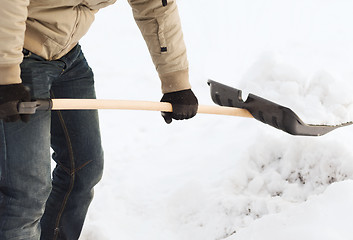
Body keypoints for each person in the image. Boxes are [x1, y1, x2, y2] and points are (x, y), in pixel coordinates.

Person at [0, 0, 198, 239]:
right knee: (26, 193)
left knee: (83, 169)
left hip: (67, 54)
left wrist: (176, 80)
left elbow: (155, 4)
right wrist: (6, 74)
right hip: (15, 52)